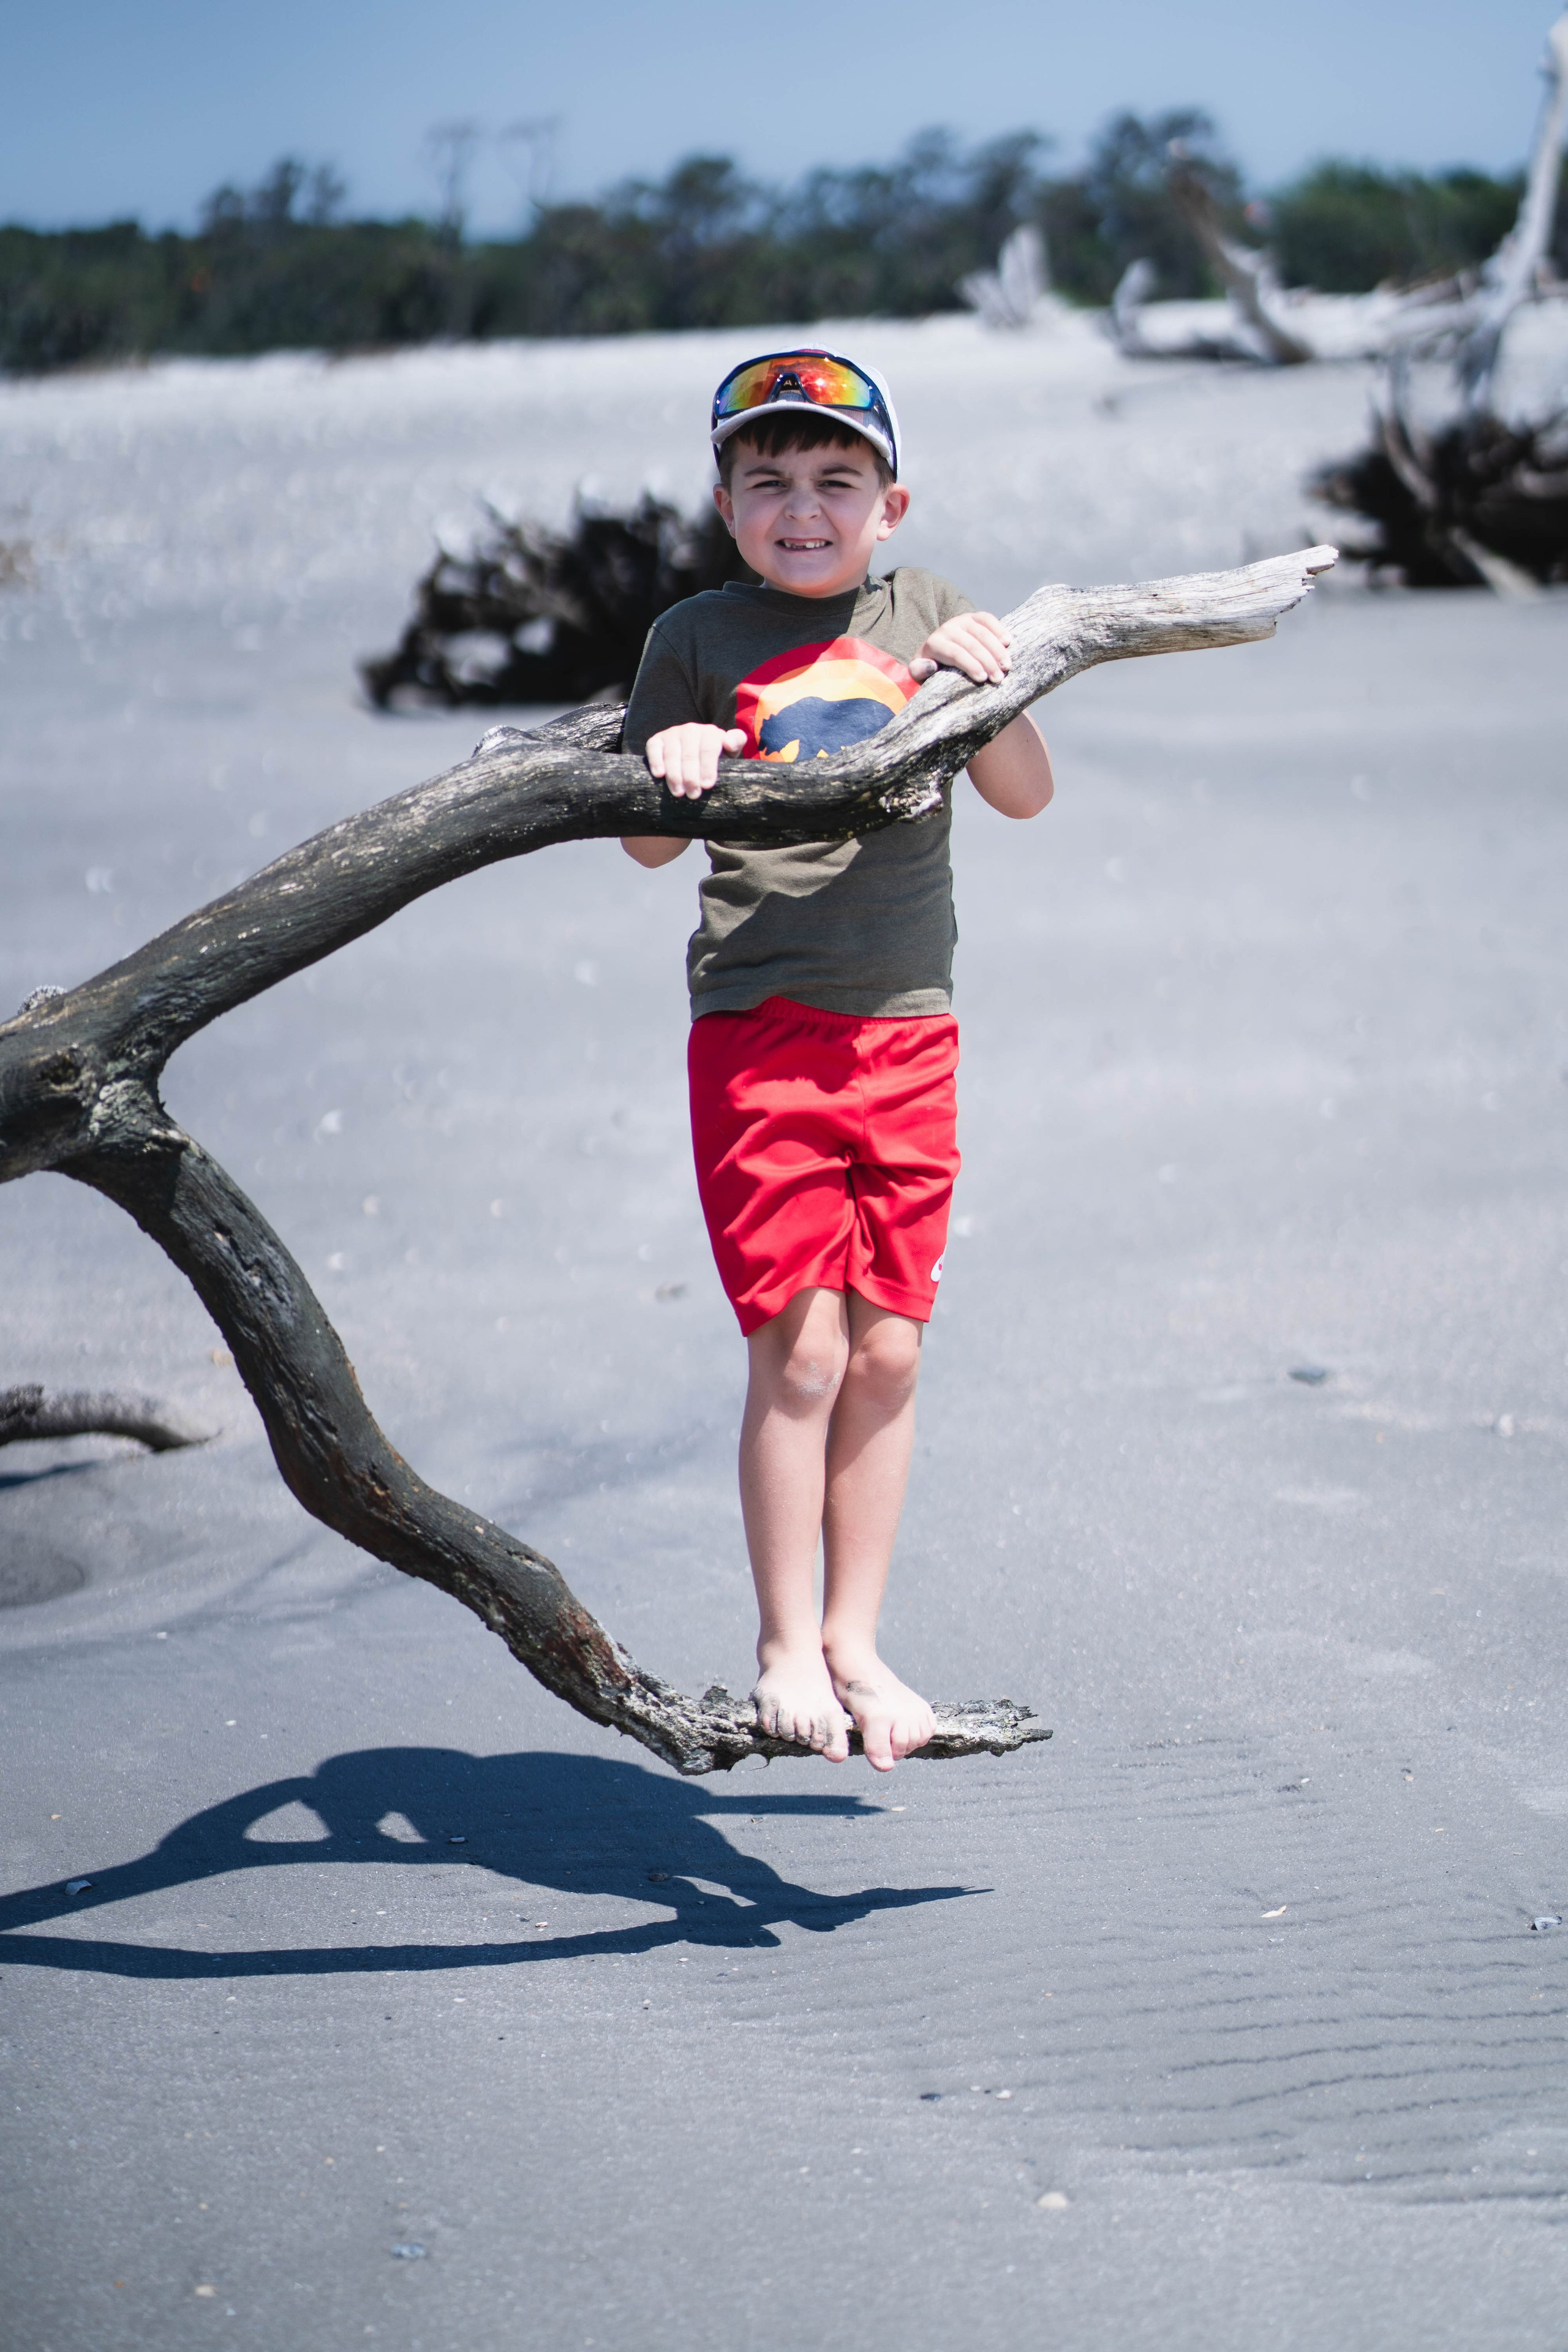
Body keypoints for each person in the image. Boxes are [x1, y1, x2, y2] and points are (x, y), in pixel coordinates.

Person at [620, 349, 1054, 1771]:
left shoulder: (925, 612)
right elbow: (639, 839)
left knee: (887, 1345)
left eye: (833, 481)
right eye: (770, 483)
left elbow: (1025, 799)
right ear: (726, 504)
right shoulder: (692, 632)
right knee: (797, 1347)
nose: (802, 508)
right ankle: (782, 1644)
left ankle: (859, 1638)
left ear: (889, 501)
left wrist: (995, 681)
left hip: (907, 1027)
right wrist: (674, 753)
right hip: (759, 1030)